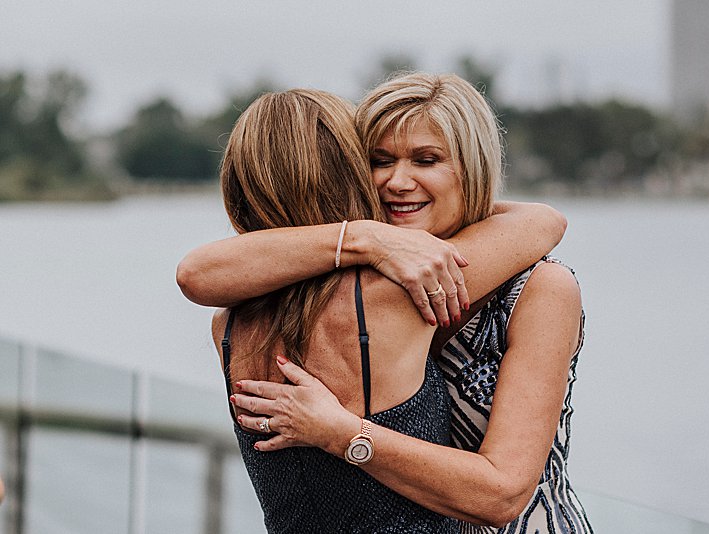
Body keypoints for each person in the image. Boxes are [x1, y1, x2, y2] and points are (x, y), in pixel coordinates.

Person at [179, 73, 591, 533]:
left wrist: (344, 433)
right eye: (379, 160)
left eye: (426, 159)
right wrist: (365, 237)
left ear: (471, 168)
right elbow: (196, 273)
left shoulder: (539, 289)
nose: (397, 181)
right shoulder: (367, 286)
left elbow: (503, 494)